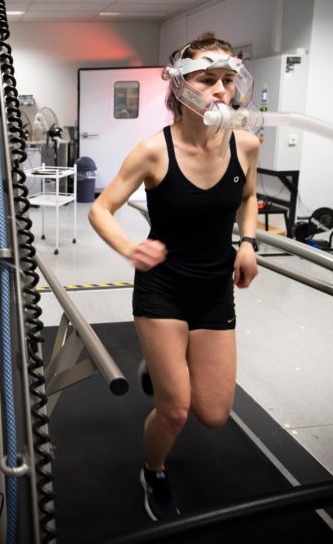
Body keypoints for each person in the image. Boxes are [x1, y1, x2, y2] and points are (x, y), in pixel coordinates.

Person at [88, 33, 260, 521]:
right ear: (181, 87)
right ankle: (154, 470)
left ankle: (163, 366)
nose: (220, 90)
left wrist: (248, 242)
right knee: (176, 410)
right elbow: (100, 209)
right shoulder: (153, 152)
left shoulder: (246, 144)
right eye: (208, 80)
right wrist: (130, 248)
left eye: (227, 80)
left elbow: (249, 197)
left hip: (214, 290)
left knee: (214, 414)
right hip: (163, 287)